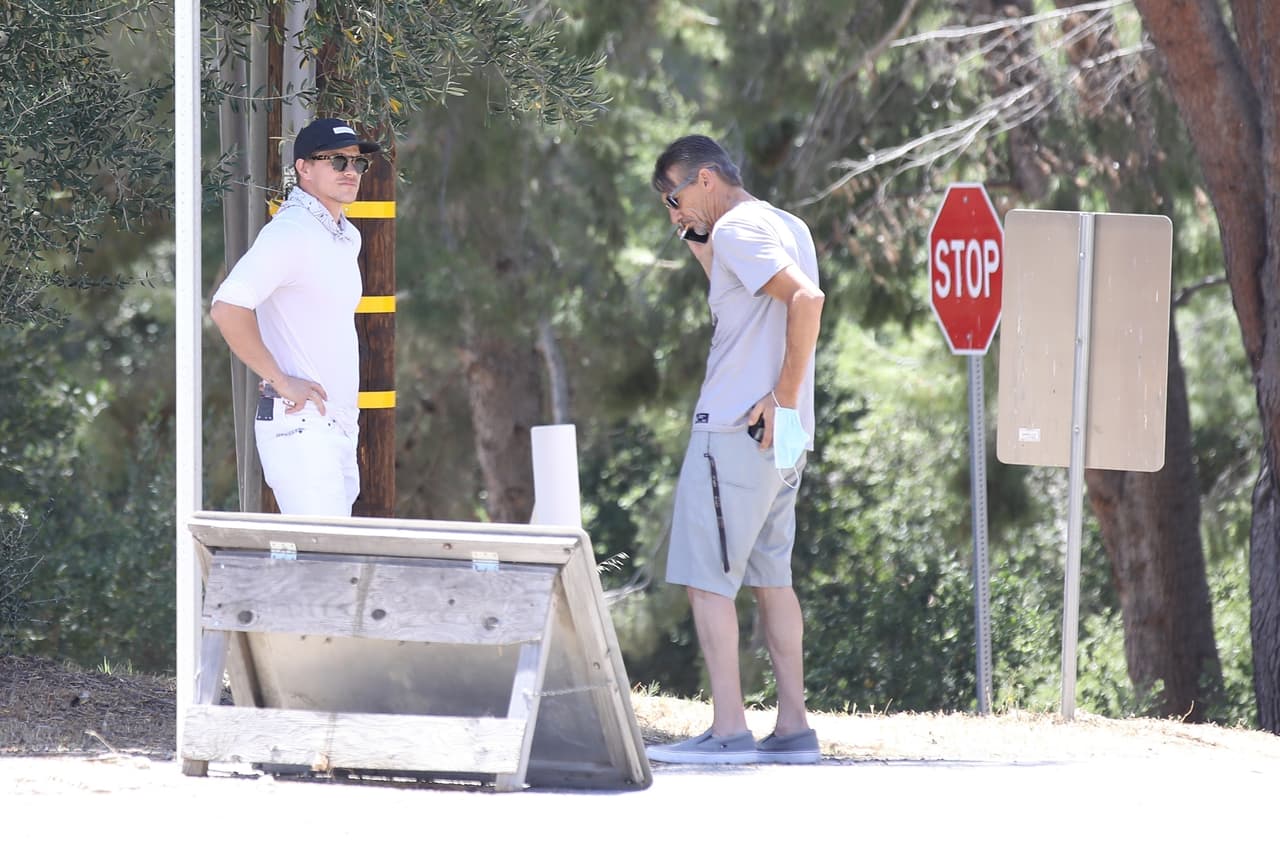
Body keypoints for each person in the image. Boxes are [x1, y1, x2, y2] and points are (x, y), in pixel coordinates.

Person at [645, 135, 825, 765]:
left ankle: (728, 731)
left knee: (706, 581)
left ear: (704, 179)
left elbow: (806, 301)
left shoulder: (739, 228)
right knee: (772, 578)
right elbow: (747, 308)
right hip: (786, 434)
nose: (673, 215)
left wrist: (778, 395)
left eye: (674, 198)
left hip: (740, 426)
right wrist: (789, 405)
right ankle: (794, 729)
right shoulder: (783, 223)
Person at [209, 118, 380, 516]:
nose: (351, 171)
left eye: (357, 163)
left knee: (333, 565)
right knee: (326, 563)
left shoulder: (345, 235)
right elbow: (227, 308)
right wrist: (280, 379)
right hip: (300, 426)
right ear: (303, 167)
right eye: (337, 162)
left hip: (335, 422)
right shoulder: (290, 232)